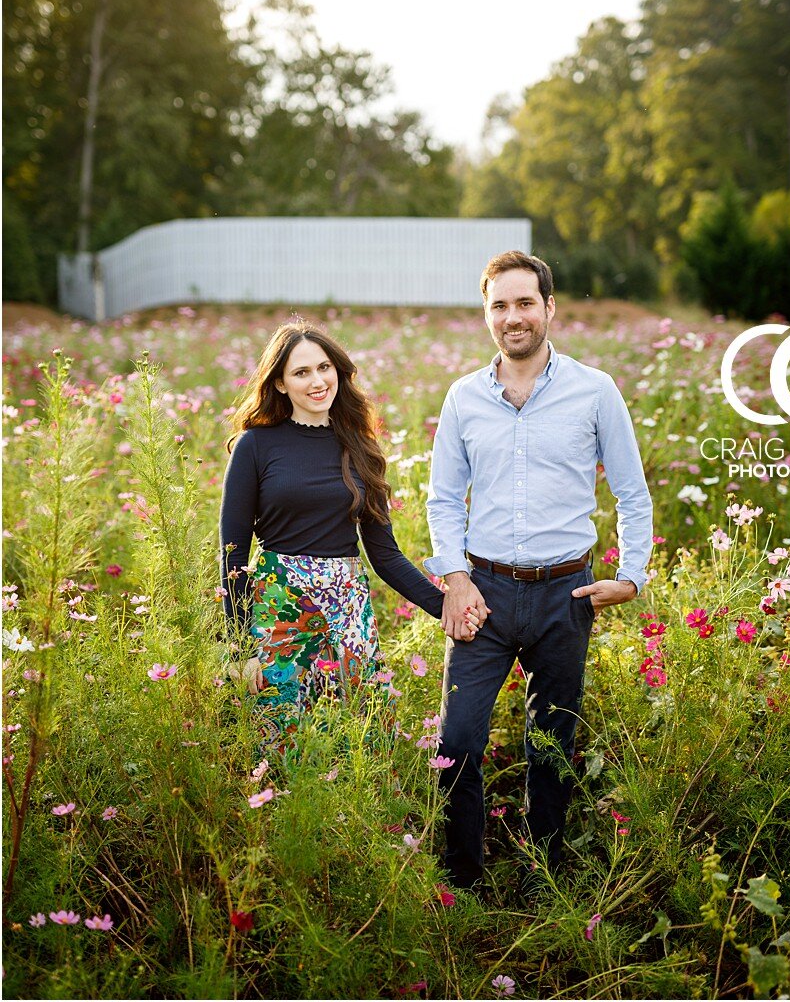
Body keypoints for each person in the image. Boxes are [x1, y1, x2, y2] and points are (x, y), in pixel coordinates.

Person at [425, 250, 653, 894]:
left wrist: (630, 575)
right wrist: (456, 576)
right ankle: (461, 882)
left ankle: (545, 880)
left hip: (565, 594)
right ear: (486, 314)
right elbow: (443, 498)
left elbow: (632, 494)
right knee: (459, 742)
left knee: (551, 747)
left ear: (550, 308)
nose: (513, 317)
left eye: (525, 303)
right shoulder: (465, 398)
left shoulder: (595, 390)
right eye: (499, 305)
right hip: (484, 593)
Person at [221, 322, 444, 753]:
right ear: (281, 384)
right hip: (279, 612)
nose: (317, 380)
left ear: (339, 372)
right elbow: (232, 552)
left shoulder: (359, 448)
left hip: (348, 611)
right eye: (301, 372)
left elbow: (385, 555)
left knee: (360, 740)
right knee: (280, 740)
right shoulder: (256, 446)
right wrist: (239, 647)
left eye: (324, 367)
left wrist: (444, 607)